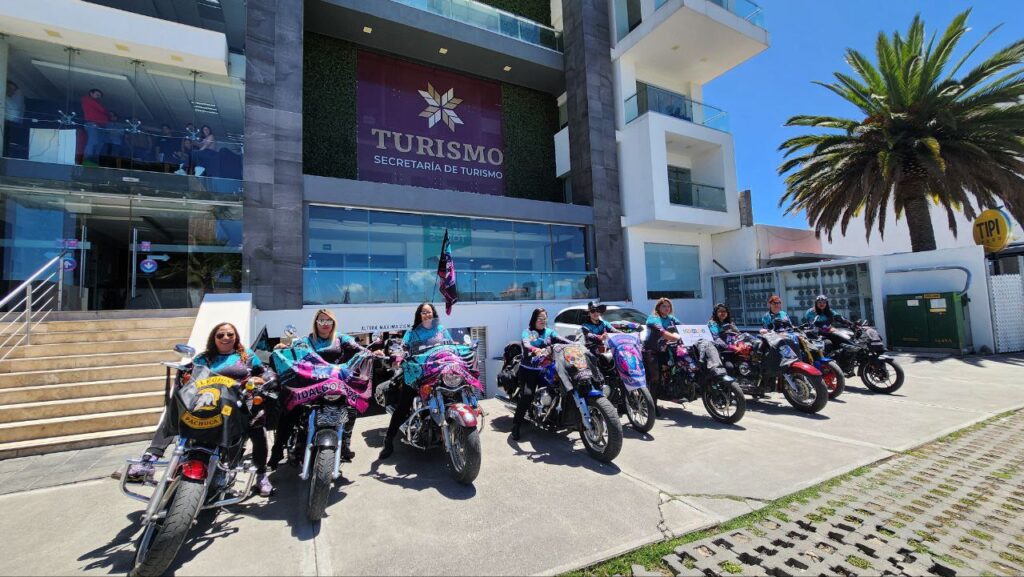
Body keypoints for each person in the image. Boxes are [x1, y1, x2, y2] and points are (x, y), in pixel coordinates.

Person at [127, 322, 276, 496]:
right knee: (176, 410)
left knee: (257, 426)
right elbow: (190, 373)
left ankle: (261, 475)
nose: (226, 338)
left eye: (230, 334)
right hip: (207, 403)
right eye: (220, 335)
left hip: (237, 402)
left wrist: (263, 379)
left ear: (236, 337)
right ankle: (150, 458)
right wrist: (184, 374)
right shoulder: (203, 358)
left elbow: (265, 371)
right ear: (214, 338)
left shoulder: (246, 356)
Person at [269, 309, 382, 468]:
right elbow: (294, 348)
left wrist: (372, 353)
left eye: (329, 321)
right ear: (316, 323)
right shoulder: (307, 341)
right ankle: (277, 450)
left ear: (333, 323)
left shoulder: (341, 339)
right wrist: (284, 347)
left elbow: (358, 348)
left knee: (351, 408)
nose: (325, 324)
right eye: (321, 320)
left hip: (336, 384)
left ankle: (345, 443)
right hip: (312, 385)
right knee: (291, 409)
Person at [379, 303, 453, 459]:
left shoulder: (441, 330)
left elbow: (451, 346)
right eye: (423, 312)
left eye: (429, 312)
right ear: (419, 315)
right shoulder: (412, 332)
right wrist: (398, 356)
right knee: (403, 408)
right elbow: (402, 347)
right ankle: (388, 441)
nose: (426, 314)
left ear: (434, 314)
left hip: (438, 372)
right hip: (416, 374)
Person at [510, 307, 571, 441]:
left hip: (545, 369)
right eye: (540, 318)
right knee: (527, 395)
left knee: (559, 388)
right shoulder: (527, 332)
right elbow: (526, 344)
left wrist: (574, 344)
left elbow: (560, 339)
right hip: (528, 370)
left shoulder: (549, 332)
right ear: (534, 319)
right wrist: (534, 349)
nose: (542, 321)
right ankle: (516, 424)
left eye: (544, 318)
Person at [644, 297, 682, 412]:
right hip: (652, 351)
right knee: (655, 378)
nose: (667, 308)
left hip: (666, 350)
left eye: (668, 306)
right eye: (664, 306)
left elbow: (682, 327)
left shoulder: (671, 318)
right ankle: (652, 405)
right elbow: (662, 331)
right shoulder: (653, 318)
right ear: (658, 307)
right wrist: (674, 337)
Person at [80, 88, 109, 164]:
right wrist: (105, 112)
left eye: (100, 95)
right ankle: (86, 161)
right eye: (97, 94)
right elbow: (102, 109)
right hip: (92, 124)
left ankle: (93, 162)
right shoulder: (87, 99)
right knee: (92, 142)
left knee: (99, 144)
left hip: (101, 126)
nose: (99, 96)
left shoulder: (96, 103)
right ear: (91, 93)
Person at [4, 80, 25, 158]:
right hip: (10, 125)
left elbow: (14, 115)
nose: (9, 90)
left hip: (12, 126)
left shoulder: (16, 97)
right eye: (8, 88)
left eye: (10, 89)